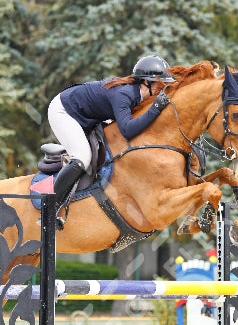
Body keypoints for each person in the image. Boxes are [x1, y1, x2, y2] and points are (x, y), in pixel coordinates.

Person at [47, 55, 176, 224]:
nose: (163, 88)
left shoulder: (136, 95)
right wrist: (156, 109)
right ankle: (48, 209)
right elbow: (128, 130)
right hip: (63, 112)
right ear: (146, 82)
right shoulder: (124, 94)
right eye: (160, 84)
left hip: (85, 115)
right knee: (82, 158)